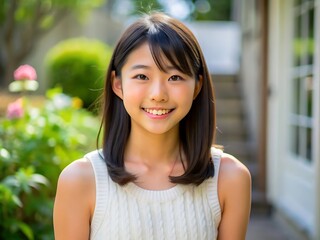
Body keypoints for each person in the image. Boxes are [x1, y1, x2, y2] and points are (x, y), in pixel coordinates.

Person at [53, 12, 251, 240]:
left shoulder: (230, 178)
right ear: (118, 84)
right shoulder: (80, 180)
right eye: (141, 76)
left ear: (197, 87)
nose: (158, 95)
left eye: (175, 77)